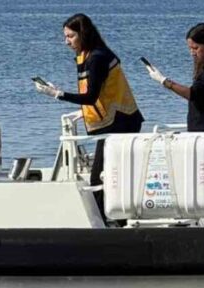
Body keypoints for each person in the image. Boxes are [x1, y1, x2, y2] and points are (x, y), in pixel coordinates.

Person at [33, 13, 144, 217]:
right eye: (65, 37)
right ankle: (114, 218)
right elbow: (100, 94)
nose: (66, 42)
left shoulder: (97, 58)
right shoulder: (89, 55)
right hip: (117, 120)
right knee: (108, 174)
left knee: (99, 177)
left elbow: (91, 96)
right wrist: (82, 112)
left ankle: (105, 220)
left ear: (83, 34)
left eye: (70, 36)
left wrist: (57, 94)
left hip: (121, 122)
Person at [143, 23, 204, 157]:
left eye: (196, 48)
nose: (192, 53)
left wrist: (164, 81)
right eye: (190, 48)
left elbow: (194, 94)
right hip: (202, 135)